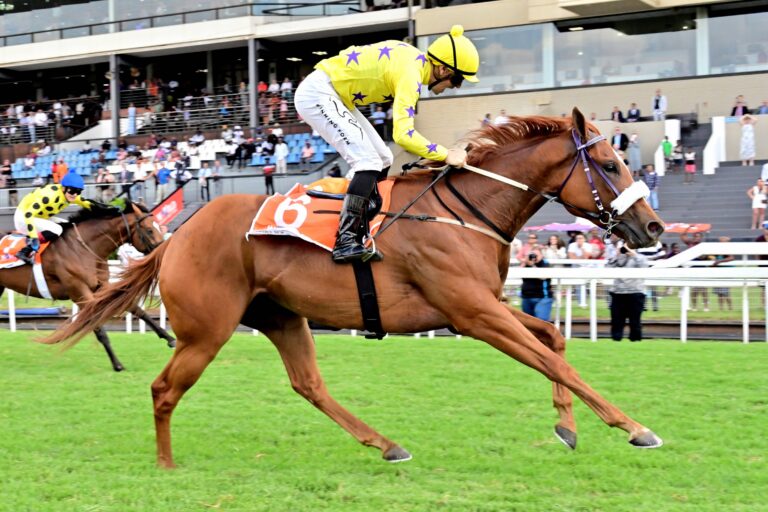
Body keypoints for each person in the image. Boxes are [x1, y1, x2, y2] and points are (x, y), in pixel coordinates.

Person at [294, 25, 478, 263]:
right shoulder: (411, 75)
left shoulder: (414, 64)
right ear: (442, 69)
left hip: (335, 94)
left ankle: (365, 224)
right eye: (457, 80)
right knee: (367, 161)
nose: (455, 87)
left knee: (384, 158)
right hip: (318, 93)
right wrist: (445, 154)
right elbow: (403, 135)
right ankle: (346, 240)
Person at [14, 172, 94, 265]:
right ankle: (24, 251)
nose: (75, 195)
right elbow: (28, 214)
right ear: (64, 188)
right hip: (24, 218)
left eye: (78, 191)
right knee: (57, 229)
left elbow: (87, 203)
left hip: (39, 217)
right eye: (72, 191)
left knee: (69, 225)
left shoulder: (69, 194)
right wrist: (34, 237)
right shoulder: (49, 196)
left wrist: (110, 210)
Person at [606, 242, 648, 341]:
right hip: (618, 293)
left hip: (635, 292)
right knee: (616, 320)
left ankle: (636, 340)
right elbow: (607, 268)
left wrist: (633, 254)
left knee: (635, 321)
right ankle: (616, 340)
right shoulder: (618, 258)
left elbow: (644, 267)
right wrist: (616, 255)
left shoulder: (640, 257)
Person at [519, 244, 553, 322]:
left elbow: (543, 276)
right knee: (528, 323)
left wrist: (532, 265)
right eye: (532, 254)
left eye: (536, 255)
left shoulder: (545, 263)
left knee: (541, 321)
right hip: (526, 297)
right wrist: (525, 262)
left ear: (541, 255)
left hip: (542, 297)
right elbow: (520, 273)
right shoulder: (527, 263)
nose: (534, 257)